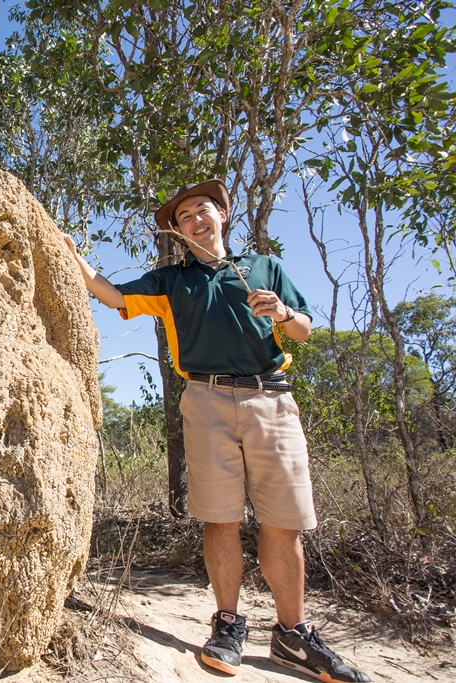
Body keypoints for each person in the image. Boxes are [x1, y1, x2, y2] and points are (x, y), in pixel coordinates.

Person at [62, 179, 371, 683]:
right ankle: (227, 624)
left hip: (271, 397)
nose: (194, 221)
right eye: (184, 218)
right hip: (204, 399)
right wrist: (74, 256)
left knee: (283, 521)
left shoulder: (262, 268)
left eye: (202, 210)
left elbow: (304, 328)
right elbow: (110, 292)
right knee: (219, 517)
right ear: (179, 233)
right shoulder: (172, 281)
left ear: (223, 215)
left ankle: (293, 635)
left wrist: (284, 312)